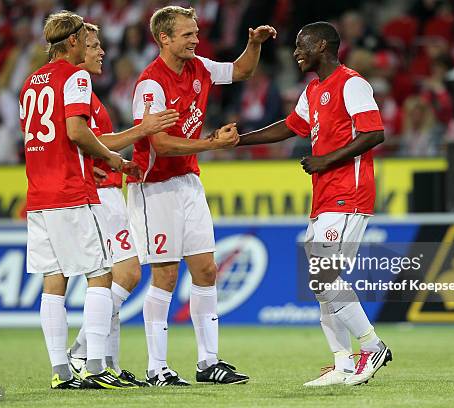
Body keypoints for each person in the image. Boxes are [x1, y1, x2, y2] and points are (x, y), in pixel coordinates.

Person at [234, 21, 391, 387]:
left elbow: (374, 132)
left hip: (348, 194)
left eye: (302, 44)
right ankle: (343, 362)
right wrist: (238, 140)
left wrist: (326, 159)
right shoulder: (314, 89)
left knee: (323, 276)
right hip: (323, 197)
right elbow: (289, 127)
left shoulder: (352, 83)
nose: (295, 51)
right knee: (320, 283)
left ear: (322, 45)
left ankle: (372, 345)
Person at [127, 5, 276, 386]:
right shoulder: (151, 84)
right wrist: (211, 144)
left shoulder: (200, 68)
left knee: (207, 270)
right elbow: (159, 143)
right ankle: (156, 367)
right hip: (154, 186)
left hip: (188, 183)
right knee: (164, 275)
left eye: (195, 32)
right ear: (164, 38)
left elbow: (241, 70)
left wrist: (253, 44)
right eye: (188, 34)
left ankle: (208, 362)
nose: (196, 38)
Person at [19, 10, 137, 390]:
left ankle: (61, 372)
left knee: (53, 281)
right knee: (100, 274)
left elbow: (43, 137)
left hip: (38, 194)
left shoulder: (29, 83)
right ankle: (97, 365)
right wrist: (112, 158)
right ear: (72, 41)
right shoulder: (75, 75)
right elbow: (74, 130)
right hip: (70, 191)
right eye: (85, 41)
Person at [67, 22, 179, 387]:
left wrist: (115, 161)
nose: (101, 51)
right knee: (126, 273)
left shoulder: (88, 94)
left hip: (109, 187)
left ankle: (106, 360)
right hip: (99, 195)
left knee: (118, 275)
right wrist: (144, 129)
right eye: (93, 45)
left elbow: (97, 144)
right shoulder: (77, 88)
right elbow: (90, 139)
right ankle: (84, 351)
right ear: (74, 47)